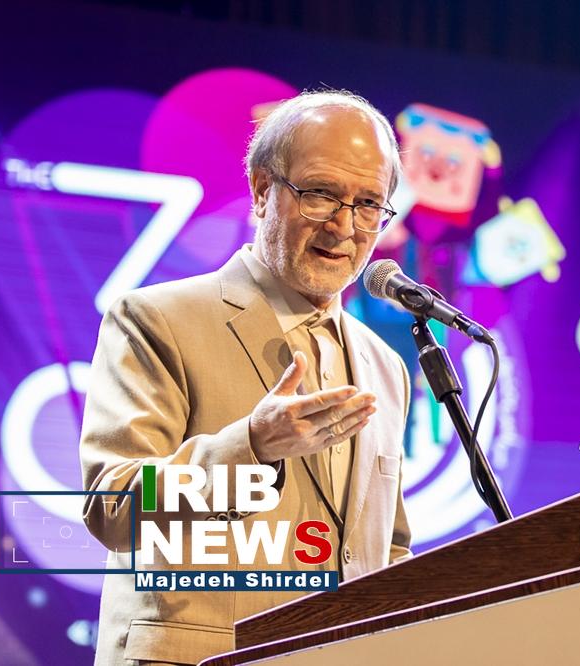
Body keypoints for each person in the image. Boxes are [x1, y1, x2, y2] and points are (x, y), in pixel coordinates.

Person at [80, 90, 412, 666]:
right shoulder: (157, 319)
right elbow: (113, 508)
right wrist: (251, 446)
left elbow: (389, 548)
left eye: (368, 204)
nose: (345, 226)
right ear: (262, 190)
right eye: (321, 194)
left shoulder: (386, 365)